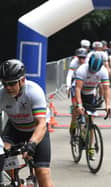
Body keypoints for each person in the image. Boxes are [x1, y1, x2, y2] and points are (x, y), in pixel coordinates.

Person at [0, 59, 54, 187]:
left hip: (36, 129)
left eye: (12, 84)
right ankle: (19, 182)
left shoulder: (34, 91)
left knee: (42, 172)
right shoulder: (2, 94)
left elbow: (41, 123)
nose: (8, 88)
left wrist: (32, 144)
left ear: (22, 80)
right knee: (3, 156)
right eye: (4, 83)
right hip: (15, 128)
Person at [75, 51, 111, 118]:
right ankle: (73, 127)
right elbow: (78, 89)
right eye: (91, 70)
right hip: (79, 90)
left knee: (91, 116)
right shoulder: (82, 70)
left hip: (90, 91)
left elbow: (106, 89)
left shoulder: (104, 71)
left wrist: (107, 104)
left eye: (96, 71)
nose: (93, 72)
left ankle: (90, 127)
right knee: (76, 112)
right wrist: (79, 105)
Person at [66, 48, 88, 135]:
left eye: (83, 58)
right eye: (80, 58)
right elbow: (69, 75)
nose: (82, 60)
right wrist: (68, 87)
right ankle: (74, 122)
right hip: (75, 84)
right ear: (77, 57)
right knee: (76, 107)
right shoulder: (74, 62)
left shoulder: (88, 62)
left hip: (85, 84)